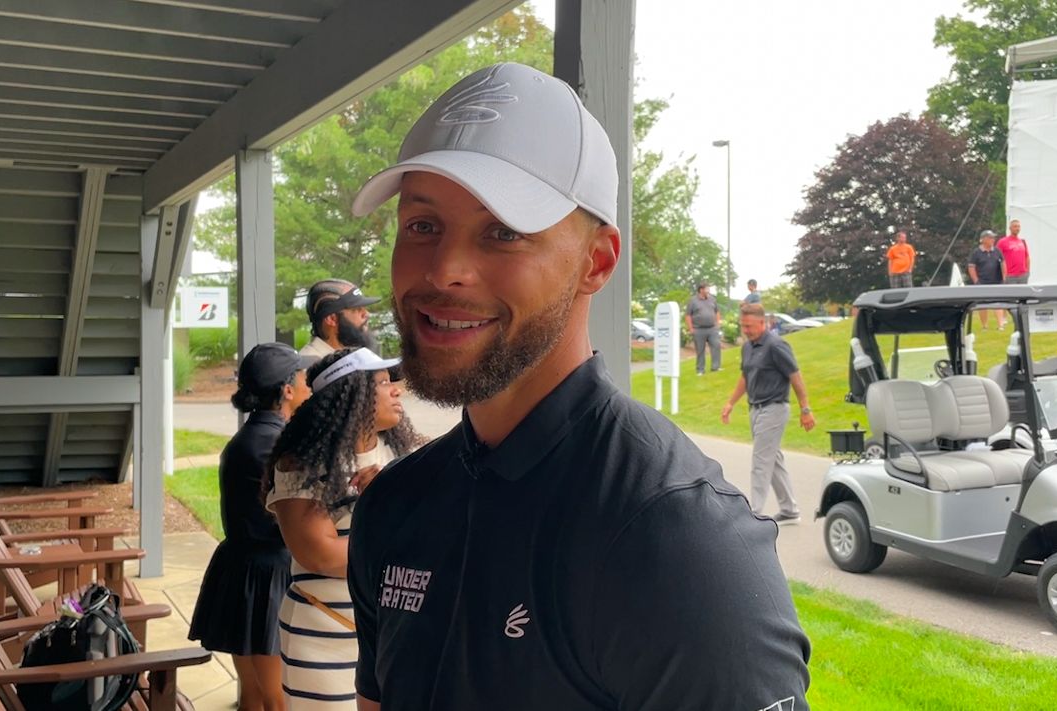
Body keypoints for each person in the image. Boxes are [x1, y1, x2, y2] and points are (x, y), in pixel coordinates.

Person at [347, 62, 809, 711]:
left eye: (503, 230)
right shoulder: (395, 506)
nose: (445, 269)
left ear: (597, 261)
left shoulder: (678, 541)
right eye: (422, 225)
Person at [265, 348, 421, 709]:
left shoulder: (407, 458)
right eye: (382, 383)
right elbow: (319, 555)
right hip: (325, 633)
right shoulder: (301, 464)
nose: (396, 389)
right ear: (351, 395)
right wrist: (387, 516)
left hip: (393, 634)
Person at [189, 343, 314, 711]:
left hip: (243, 571)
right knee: (278, 699)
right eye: (303, 376)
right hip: (267, 576)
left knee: (254, 695)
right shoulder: (277, 444)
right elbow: (295, 517)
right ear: (287, 389)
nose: (309, 384)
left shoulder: (248, 438)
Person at [720, 304, 815, 525]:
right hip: (756, 409)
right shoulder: (748, 347)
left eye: (750, 326)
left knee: (761, 461)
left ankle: (753, 515)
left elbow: (796, 377)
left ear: (763, 323)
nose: (746, 330)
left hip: (774, 408)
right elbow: (745, 377)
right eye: (743, 326)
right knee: (774, 460)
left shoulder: (776, 345)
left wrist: (805, 409)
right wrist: (730, 403)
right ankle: (790, 510)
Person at [300, 279, 382, 361]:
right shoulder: (307, 366)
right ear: (332, 319)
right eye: (357, 309)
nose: (366, 314)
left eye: (364, 308)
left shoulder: (357, 356)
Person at [966, 230, 1007, 330]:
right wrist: (976, 281)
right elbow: (971, 267)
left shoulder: (997, 251)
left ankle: (1000, 325)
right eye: (990, 238)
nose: (993, 240)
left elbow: (1003, 264)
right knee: (982, 305)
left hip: (996, 281)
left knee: (998, 304)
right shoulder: (976, 253)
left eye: (993, 238)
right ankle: (985, 326)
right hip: (982, 282)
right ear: (984, 239)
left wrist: (1004, 278)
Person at [685, 282, 722, 375]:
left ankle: (715, 367)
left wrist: (717, 324)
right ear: (701, 290)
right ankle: (700, 370)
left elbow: (717, 312)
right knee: (700, 350)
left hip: (712, 328)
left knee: (716, 346)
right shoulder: (693, 301)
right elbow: (688, 315)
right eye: (707, 289)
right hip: (698, 329)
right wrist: (691, 328)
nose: (708, 290)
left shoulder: (712, 299)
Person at [998, 219, 1030, 284]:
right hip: (1010, 276)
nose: (1017, 228)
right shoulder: (1002, 241)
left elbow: (1027, 257)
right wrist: (1002, 275)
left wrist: (1028, 271)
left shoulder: (1022, 241)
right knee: (1011, 294)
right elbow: (996, 258)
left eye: (1018, 226)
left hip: (1023, 275)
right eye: (1015, 226)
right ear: (1010, 228)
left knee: (1023, 293)